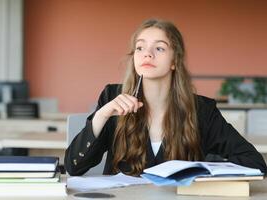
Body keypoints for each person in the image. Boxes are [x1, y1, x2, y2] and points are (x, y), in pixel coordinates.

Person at [64, 19, 267, 176]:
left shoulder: (201, 110)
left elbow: (255, 163)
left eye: (159, 48)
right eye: (140, 47)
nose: (147, 54)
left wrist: (203, 171)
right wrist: (102, 115)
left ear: (174, 61)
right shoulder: (112, 97)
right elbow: (74, 167)